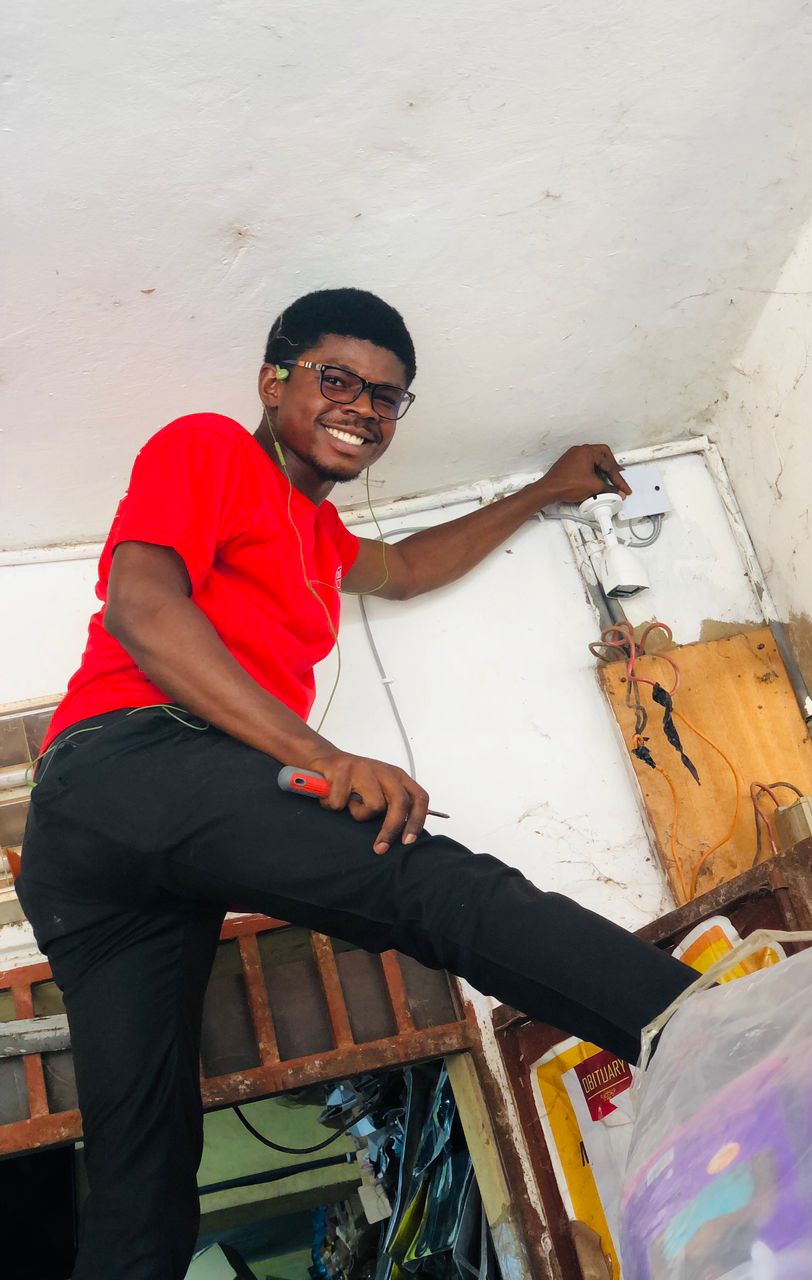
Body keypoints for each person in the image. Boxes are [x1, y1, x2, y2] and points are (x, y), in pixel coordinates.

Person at [16, 287, 696, 1280]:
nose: (364, 407)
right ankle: (718, 1031)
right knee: (431, 879)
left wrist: (543, 490)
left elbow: (410, 566)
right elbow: (142, 608)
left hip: (99, 870)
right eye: (338, 379)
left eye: (386, 396)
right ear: (272, 382)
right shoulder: (208, 447)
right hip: (129, 762)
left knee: (146, 1163)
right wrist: (322, 757)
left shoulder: (320, 539)